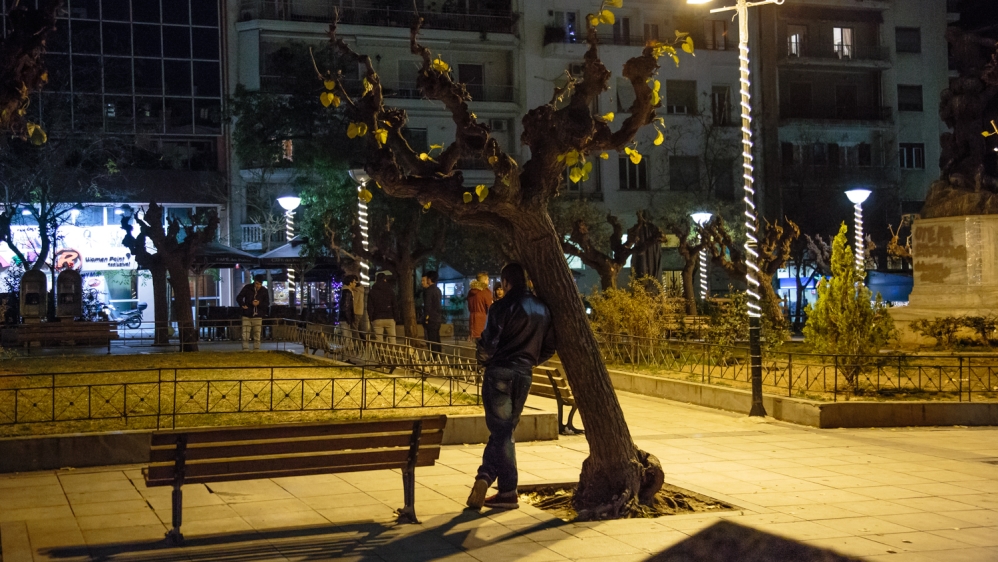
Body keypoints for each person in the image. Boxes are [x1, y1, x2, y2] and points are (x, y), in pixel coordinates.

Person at [466, 263, 556, 510]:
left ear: (506, 282)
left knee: (501, 430)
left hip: (501, 372)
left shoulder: (501, 307)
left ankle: (485, 476)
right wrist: (530, 360)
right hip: (524, 374)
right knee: (506, 431)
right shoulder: (543, 308)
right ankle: (507, 491)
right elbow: (549, 345)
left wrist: (486, 359)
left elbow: (489, 343)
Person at [237, 274, 270, 351]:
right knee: (245, 334)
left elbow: (267, 303)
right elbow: (239, 297)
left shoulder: (264, 290)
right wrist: (243, 305)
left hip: (258, 315)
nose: (258, 286)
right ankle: (245, 349)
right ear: (254, 282)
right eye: (256, 284)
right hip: (247, 314)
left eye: (260, 284)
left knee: (257, 334)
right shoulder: (247, 288)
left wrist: (259, 303)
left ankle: (256, 349)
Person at [368, 270, 398, 343]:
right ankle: (392, 354)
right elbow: (394, 305)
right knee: (392, 339)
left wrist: (371, 318)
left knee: (379, 340)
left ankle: (380, 354)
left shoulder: (372, 291)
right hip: (389, 317)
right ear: (385, 280)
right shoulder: (390, 291)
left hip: (377, 317)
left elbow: (370, 306)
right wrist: (396, 317)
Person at [467, 272, 493, 340]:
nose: (488, 281)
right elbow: (491, 307)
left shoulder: (470, 292)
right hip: (482, 319)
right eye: (488, 280)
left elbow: (469, 307)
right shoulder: (485, 291)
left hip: (472, 318)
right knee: (483, 342)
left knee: (476, 342)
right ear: (484, 280)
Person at [421, 270, 442, 353]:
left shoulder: (429, 291)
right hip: (437, 317)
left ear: (429, 279)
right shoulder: (438, 290)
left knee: (431, 339)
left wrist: (426, 317)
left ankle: (433, 357)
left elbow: (428, 306)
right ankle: (439, 355)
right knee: (437, 338)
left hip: (431, 319)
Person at [339, 275, 359, 343]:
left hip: (344, 318)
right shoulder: (347, 292)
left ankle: (346, 351)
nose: (355, 284)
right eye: (354, 282)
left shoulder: (345, 291)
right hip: (345, 318)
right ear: (350, 283)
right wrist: (349, 319)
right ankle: (344, 352)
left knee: (347, 338)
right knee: (346, 339)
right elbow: (346, 306)